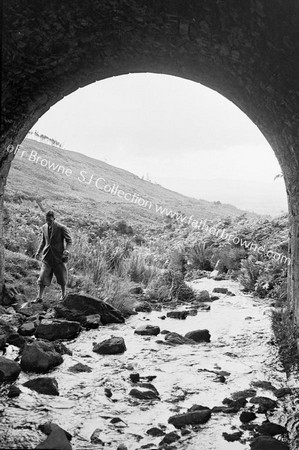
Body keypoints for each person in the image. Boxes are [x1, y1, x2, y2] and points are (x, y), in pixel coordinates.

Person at [34, 210, 72, 302]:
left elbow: (69, 240)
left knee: (62, 277)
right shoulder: (44, 227)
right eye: (47, 220)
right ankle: (39, 297)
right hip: (47, 256)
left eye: (50, 220)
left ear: (54, 219)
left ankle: (63, 296)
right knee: (42, 277)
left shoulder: (61, 228)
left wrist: (67, 250)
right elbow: (43, 241)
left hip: (59, 257)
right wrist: (38, 252)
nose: (48, 222)